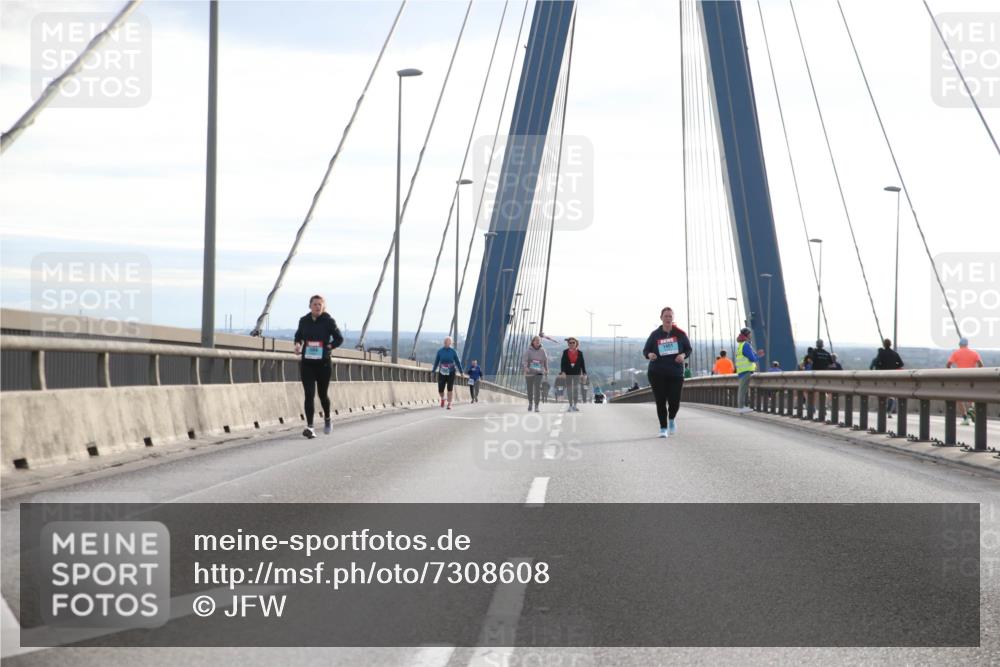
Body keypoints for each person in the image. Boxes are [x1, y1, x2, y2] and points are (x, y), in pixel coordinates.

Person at [294, 295, 344, 439]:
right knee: (309, 394)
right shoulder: (304, 321)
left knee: (322, 395)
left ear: (323, 307)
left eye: (320, 304)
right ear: (310, 306)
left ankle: (327, 418)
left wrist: (330, 346)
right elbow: (298, 336)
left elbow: (339, 338)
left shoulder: (329, 321)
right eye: (315, 304)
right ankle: (310, 427)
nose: (317, 307)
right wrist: (297, 345)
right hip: (307, 363)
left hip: (323, 364)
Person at [643, 307, 693, 438]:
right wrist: (650, 354)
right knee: (660, 401)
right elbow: (645, 350)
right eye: (666, 316)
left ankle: (671, 419)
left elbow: (688, 349)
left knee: (674, 401)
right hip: (657, 372)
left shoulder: (680, 334)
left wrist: (683, 355)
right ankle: (663, 428)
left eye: (670, 316)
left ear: (673, 318)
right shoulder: (655, 334)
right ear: (661, 318)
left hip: (675, 373)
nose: (668, 318)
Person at [947, 337, 984, 425]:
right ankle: (971, 409)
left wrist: (951, 370)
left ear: (959, 345)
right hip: (972, 377)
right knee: (972, 395)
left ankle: (965, 417)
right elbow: (981, 364)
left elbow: (948, 364)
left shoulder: (956, 353)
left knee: (959, 397)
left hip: (961, 377)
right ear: (967, 345)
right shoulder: (974, 353)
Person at [431, 336, 463, 410]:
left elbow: (458, 362)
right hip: (442, 371)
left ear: (450, 343)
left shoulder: (453, 351)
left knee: (449, 388)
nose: (445, 343)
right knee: (440, 389)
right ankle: (443, 398)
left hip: (451, 371)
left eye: (447, 342)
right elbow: (436, 362)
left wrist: (461, 372)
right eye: (445, 342)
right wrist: (433, 371)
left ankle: (449, 403)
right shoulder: (440, 351)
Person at [559, 337, 588, 412]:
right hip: (568, 373)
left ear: (576, 344)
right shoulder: (565, 352)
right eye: (570, 343)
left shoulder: (580, 353)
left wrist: (584, 373)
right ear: (568, 344)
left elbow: (582, 364)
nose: (571, 344)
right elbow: (563, 363)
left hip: (576, 373)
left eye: (573, 342)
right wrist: (563, 372)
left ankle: (575, 405)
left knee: (575, 390)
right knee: (569, 390)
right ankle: (570, 405)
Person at [735, 327, 759, 413]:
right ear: (747, 334)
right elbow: (752, 358)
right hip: (746, 370)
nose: (751, 335)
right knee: (743, 389)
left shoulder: (740, 345)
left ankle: (742, 406)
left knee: (743, 389)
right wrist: (757, 356)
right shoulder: (746, 345)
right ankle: (741, 407)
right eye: (750, 333)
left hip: (741, 370)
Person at [522, 335, 548, 412]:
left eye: (538, 341)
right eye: (536, 340)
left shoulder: (542, 351)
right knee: (529, 389)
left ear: (540, 342)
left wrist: (546, 369)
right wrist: (526, 367)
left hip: (539, 372)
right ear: (533, 342)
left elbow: (545, 360)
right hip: (529, 372)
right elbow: (524, 361)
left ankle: (536, 406)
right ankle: (530, 403)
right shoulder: (528, 351)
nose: (537, 342)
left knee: (537, 388)